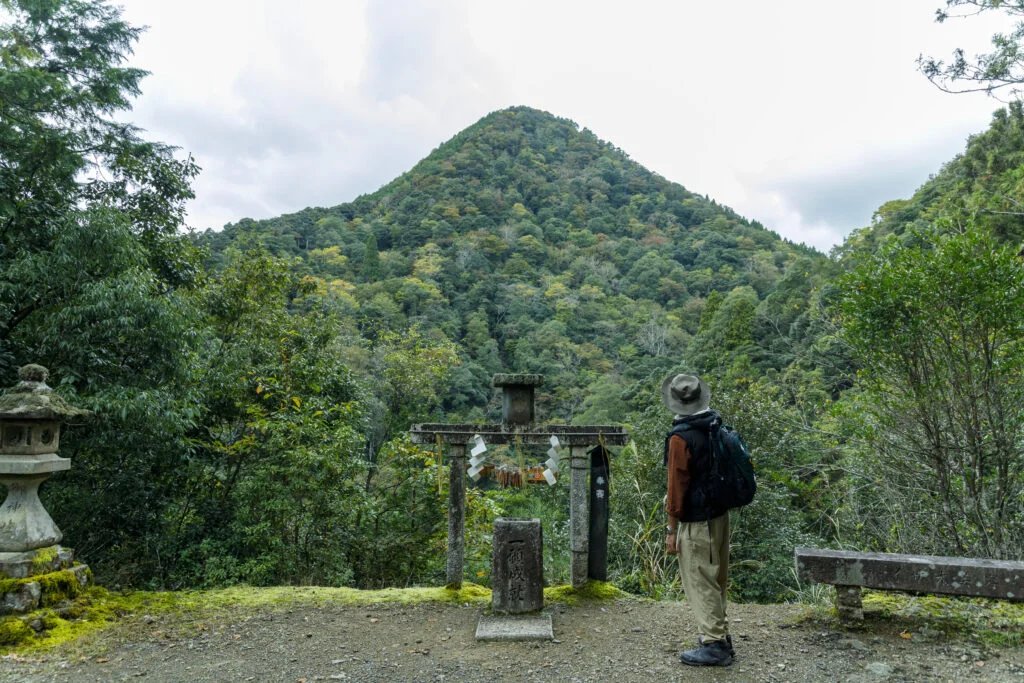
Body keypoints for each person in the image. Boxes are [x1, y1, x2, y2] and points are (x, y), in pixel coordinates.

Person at [661, 373, 734, 667]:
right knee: (717, 579)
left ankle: (715, 645)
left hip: (696, 521)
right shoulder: (714, 425)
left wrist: (671, 530)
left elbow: (676, 487)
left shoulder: (681, 437)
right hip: (720, 516)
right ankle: (721, 636)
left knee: (700, 580)